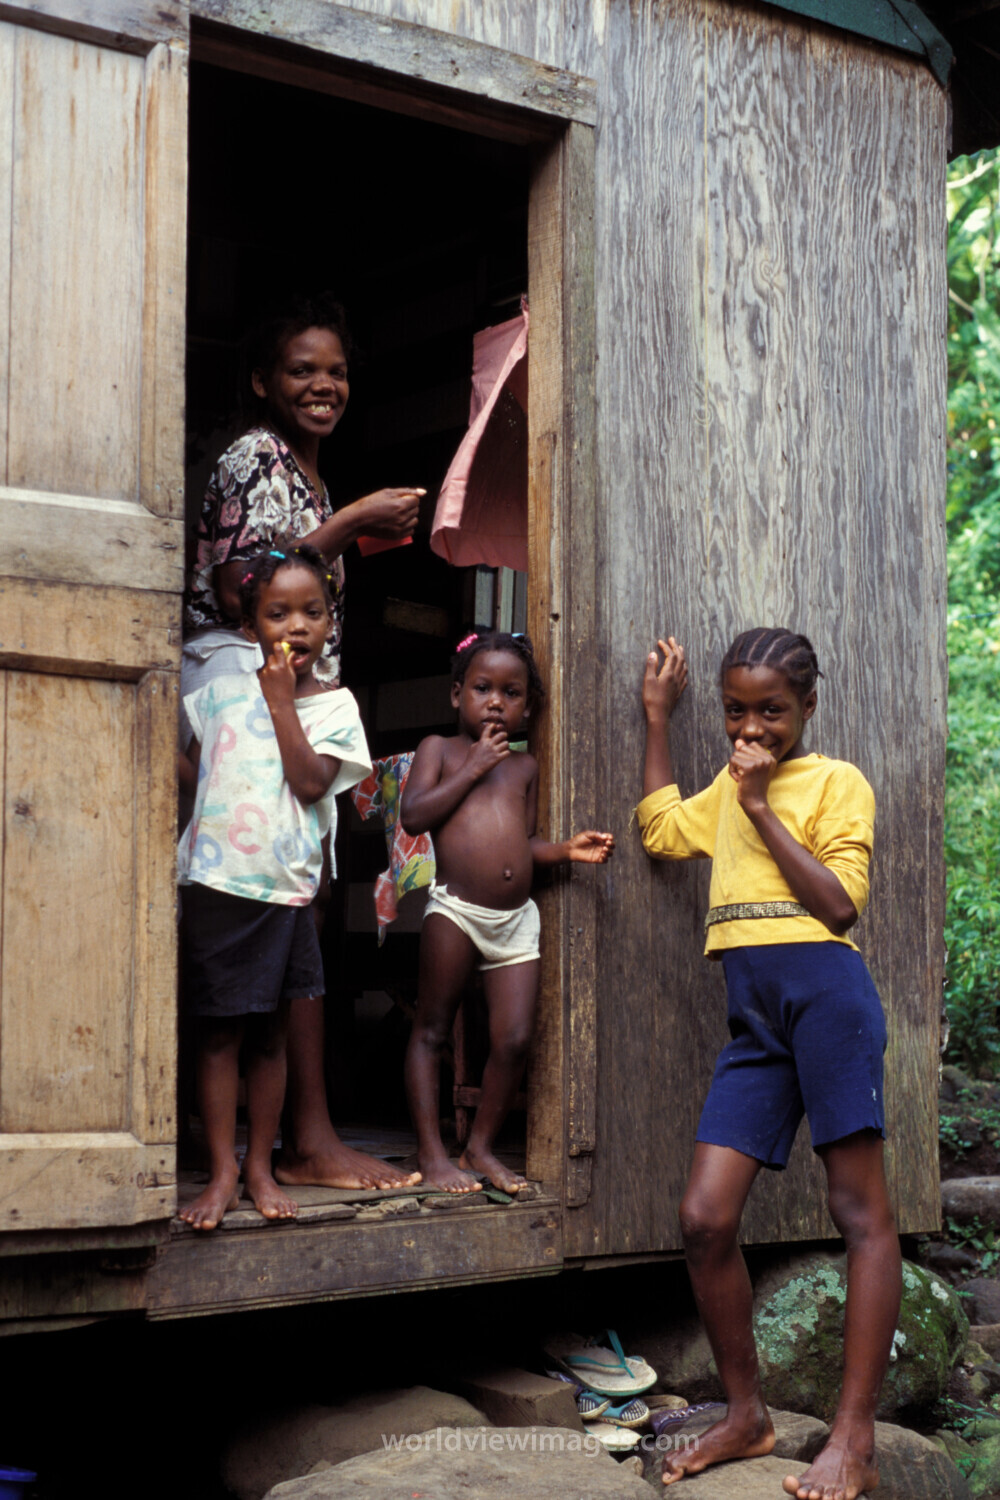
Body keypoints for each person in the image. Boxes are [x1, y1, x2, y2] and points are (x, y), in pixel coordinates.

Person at [637, 628, 900, 1500]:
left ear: (809, 708)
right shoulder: (723, 785)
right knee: (705, 1218)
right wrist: (656, 717)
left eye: (773, 711)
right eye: (737, 711)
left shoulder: (835, 782)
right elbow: (661, 830)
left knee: (859, 1211)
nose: (753, 728)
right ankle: (746, 1415)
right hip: (754, 1018)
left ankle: (854, 1438)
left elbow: (837, 904)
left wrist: (758, 807)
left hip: (827, 999)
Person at [183, 293, 423, 1191]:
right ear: (261, 383)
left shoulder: (305, 474)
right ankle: (292, 1141)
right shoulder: (256, 453)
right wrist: (355, 519)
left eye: (336, 371)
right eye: (301, 370)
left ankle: (302, 1136)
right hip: (245, 688)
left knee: (301, 902)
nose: (324, 385)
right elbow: (248, 587)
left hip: (291, 696)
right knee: (274, 902)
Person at [177, 546, 373, 1230]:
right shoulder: (219, 693)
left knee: (270, 1038)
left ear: (330, 623)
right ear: (250, 621)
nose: (296, 626)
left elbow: (313, 783)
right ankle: (224, 1168)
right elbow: (198, 770)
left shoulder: (336, 706)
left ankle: (262, 1163)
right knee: (218, 1035)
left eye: (311, 612)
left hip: (285, 891)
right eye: (278, 613)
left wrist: (283, 703)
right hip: (217, 884)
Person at [400, 631, 615, 1193]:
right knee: (431, 1030)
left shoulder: (524, 768)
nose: (496, 701)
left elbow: (524, 841)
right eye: (482, 688)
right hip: (456, 911)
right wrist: (471, 767)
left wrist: (564, 849)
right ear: (456, 695)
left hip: (516, 919)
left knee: (515, 1038)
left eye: (512, 693)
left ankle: (480, 1147)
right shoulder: (440, 751)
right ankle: (432, 1150)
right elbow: (415, 816)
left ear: (527, 707)